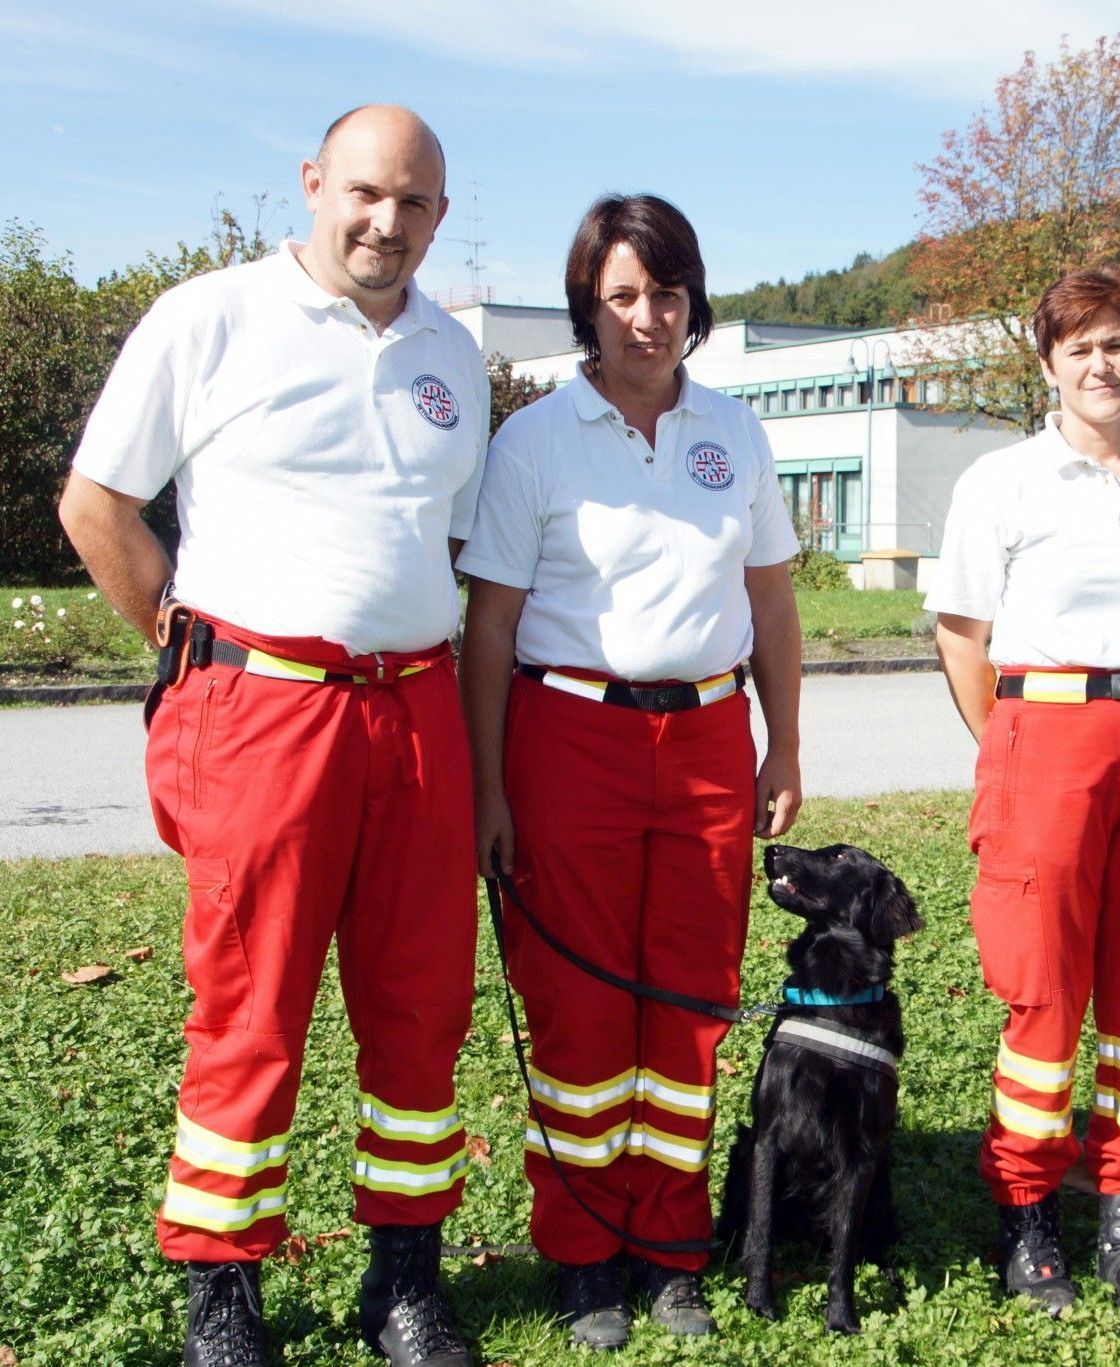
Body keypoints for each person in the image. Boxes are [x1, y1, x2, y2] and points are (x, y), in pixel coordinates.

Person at [59, 106, 484, 1366]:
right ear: (313, 184)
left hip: (414, 708)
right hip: (261, 706)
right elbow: (97, 505)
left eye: (412, 203)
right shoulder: (211, 317)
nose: (384, 222)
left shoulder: (451, 355)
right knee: (251, 1002)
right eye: (363, 192)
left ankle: (402, 1277)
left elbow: (439, 541)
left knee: (420, 1004)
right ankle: (223, 1289)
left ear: (440, 216)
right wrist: (188, 657)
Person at [457, 193, 802, 1349]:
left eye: (664, 293)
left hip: (706, 739)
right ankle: (581, 1251)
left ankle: (668, 1247)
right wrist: (492, 788)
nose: (646, 317)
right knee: (582, 1007)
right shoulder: (534, 440)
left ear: (692, 300)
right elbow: (492, 627)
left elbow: (769, 600)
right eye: (621, 297)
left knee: (689, 1003)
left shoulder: (737, 433)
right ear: (587, 310)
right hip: (571, 740)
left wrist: (782, 742)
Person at [926, 267, 1120, 1340]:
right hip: (1041, 734)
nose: (1099, 365)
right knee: (1042, 987)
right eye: (1078, 348)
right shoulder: (1004, 480)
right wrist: (1016, 742)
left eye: (1116, 344)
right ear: (1047, 363)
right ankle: (1024, 1211)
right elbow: (962, 636)